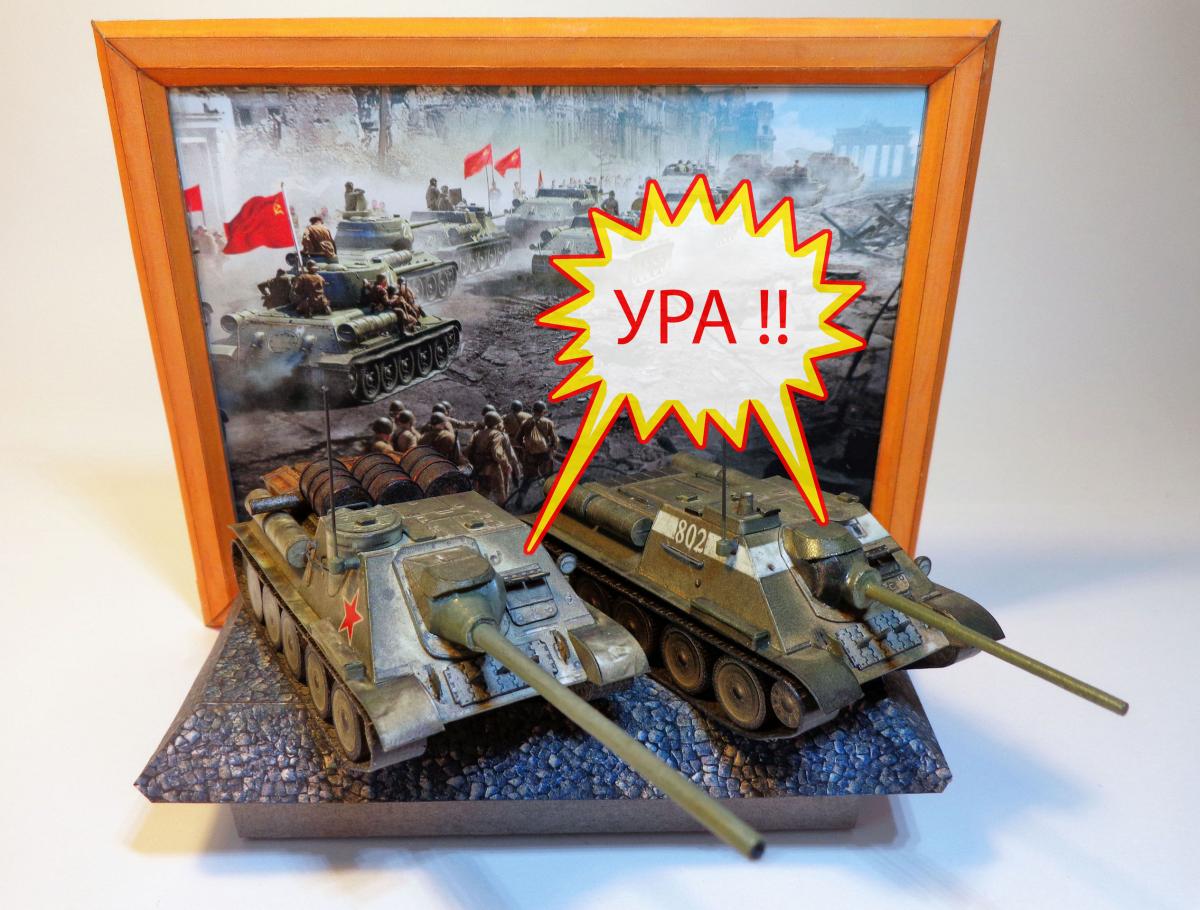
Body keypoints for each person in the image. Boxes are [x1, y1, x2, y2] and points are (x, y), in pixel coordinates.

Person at [467, 411, 518, 504]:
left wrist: (474, 462)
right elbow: (497, 453)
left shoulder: (477, 433)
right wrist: (506, 464)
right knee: (500, 492)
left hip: (479, 468)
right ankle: (502, 509)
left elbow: (469, 449)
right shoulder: (497, 434)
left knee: (483, 491)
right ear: (497, 422)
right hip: (493, 468)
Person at [518, 401, 558, 482]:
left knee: (532, 478)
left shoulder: (525, 423)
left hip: (530, 453)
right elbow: (554, 439)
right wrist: (552, 449)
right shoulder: (548, 422)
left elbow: (518, 438)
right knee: (547, 476)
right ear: (543, 411)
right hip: (544, 452)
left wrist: (525, 447)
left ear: (533, 410)